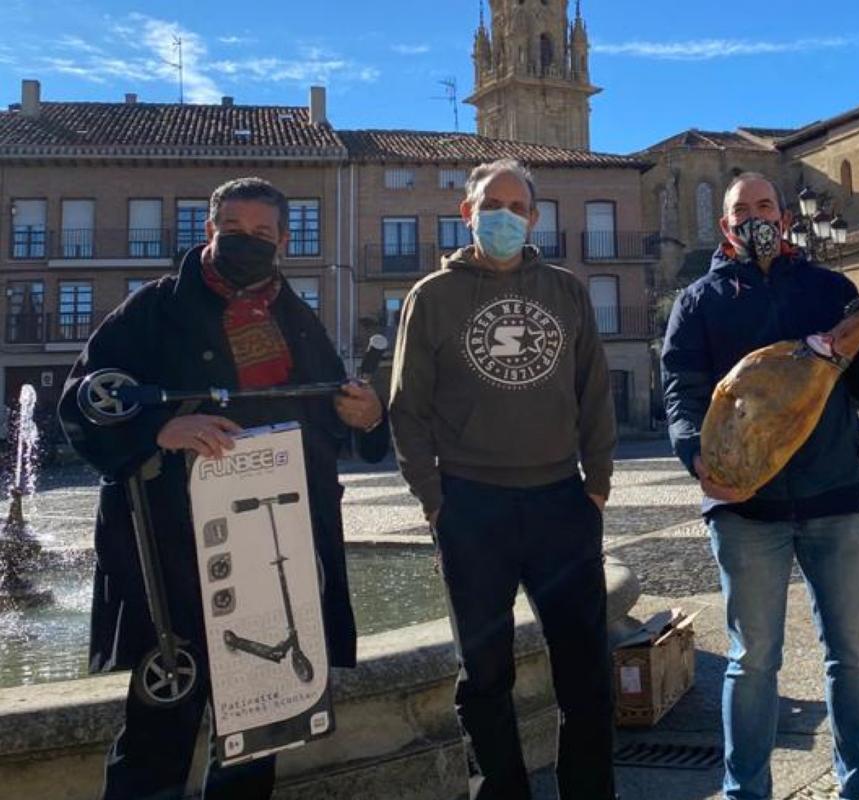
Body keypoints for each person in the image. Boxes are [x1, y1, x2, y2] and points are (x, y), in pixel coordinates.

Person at [58, 177, 389, 800]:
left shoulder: (295, 316)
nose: (248, 242)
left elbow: (330, 409)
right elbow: (83, 403)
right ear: (209, 231)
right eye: (234, 230)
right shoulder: (151, 309)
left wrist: (367, 416)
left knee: (257, 738)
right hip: (174, 554)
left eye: (263, 234)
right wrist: (163, 427)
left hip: (273, 555)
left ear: (284, 241)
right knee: (157, 736)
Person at [661, 172, 859, 800]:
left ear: (786, 216)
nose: (755, 219)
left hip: (834, 498)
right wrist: (697, 457)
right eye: (742, 211)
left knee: (851, 656)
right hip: (744, 511)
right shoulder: (699, 301)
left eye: (765, 207)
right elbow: (681, 391)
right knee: (752, 661)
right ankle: (746, 792)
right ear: (725, 226)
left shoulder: (829, 289)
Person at [389, 158, 617, 800]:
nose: (506, 216)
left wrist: (595, 486)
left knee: (586, 673)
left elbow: (595, 391)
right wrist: (435, 504)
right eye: (494, 204)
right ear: (467, 212)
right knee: (484, 675)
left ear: (535, 219)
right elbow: (407, 409)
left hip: (560, 503)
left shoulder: (567, 291)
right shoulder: (431, 297)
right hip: (471, 506)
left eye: (519, 207)